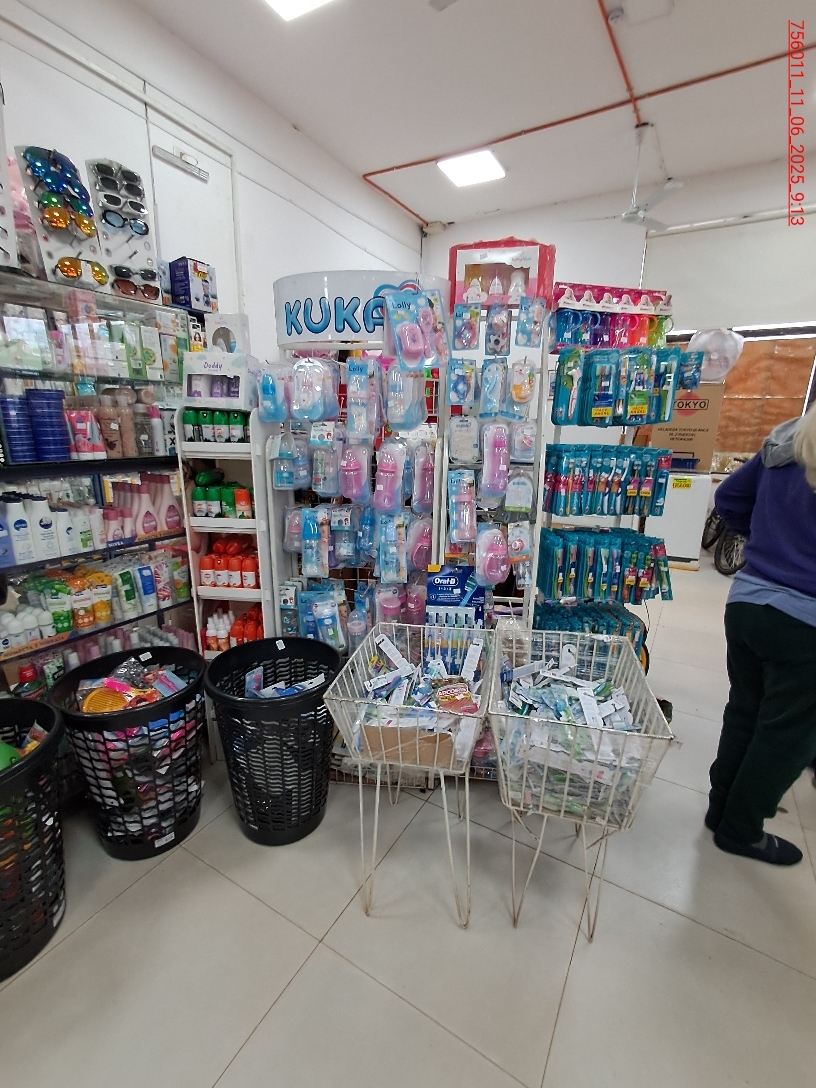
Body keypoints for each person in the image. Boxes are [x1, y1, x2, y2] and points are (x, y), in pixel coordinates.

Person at [707, 404, 816, 865]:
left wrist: (766, 541)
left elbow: (729, 497)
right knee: (787, 733)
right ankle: (741, 829)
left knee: (744, 710)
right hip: (806, 620)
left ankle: (720, 808)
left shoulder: (786, 440)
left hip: (748, 602)